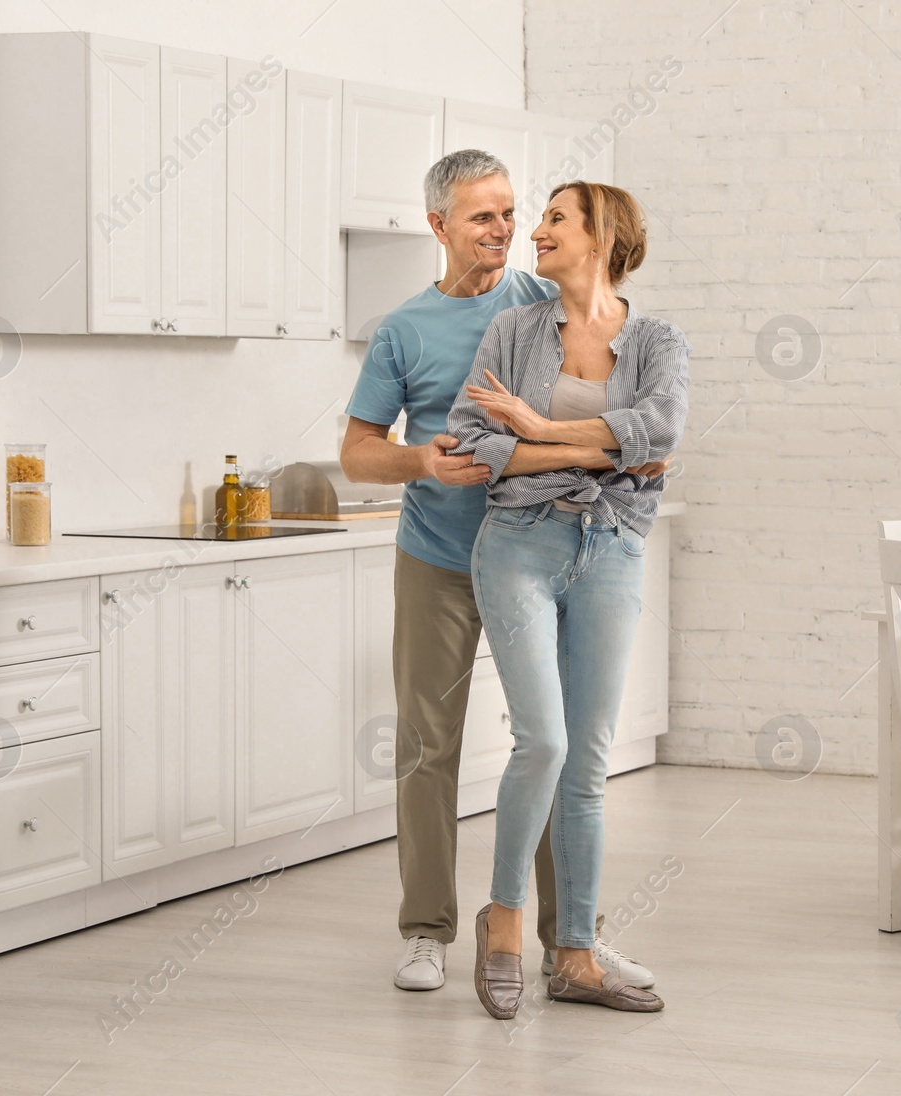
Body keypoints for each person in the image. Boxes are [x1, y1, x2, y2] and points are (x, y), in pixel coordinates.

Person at [340, 151, 658, 995]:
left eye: (511, 213)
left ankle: (566, 942)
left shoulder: (541, 306)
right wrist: (418, 462)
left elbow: (625, 411)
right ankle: (424, 931)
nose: (505, 230)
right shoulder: (404, 329)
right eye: (483, 216)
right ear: (438, 225)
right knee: (426, 746)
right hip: (440, 557)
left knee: (552, 746)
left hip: (547, 551)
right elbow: (356, 453)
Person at [446, 181, 689, 1018]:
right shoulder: (513, 329)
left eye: (554, 219)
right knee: (542, 742)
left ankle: (576, 954)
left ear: (602, 235)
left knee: (589, 761)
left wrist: (539, 430)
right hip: (519, 545)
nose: (533, 232)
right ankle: (505, 922)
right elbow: (473, 440)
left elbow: (662, 435)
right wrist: (600, 450)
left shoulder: (657, 340)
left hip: (613, 551)